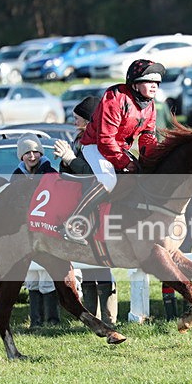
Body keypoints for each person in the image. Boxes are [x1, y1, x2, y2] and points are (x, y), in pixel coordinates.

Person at [57, 59, 164, 244]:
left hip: (118, 148)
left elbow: (147, 138)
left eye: (157, 82)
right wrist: (126, 163)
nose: (154, 86)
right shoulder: (115, 96)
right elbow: (105, 140)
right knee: (108, 178)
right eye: (149, 81)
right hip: (95, 145)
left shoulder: (150, 106)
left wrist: (155, 158)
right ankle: (73, 224)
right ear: (135, 83)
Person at [55, 97, 118, 325]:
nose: (74, 123)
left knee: (101, 266)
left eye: (77, 119)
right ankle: (93, 318)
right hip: (82, 204)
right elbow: (71, 173)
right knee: (88, 265)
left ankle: (109, 320)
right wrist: (65, 160)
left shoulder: (97, 141)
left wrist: (70, 159)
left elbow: (93, 174)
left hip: (98, 207)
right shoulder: (79, 139)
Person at [11, 134, 61, 327]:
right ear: (21, 156)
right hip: (25, 231)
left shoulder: (49, 172)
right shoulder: (17, 175)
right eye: (27, 153)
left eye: (35, 152)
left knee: (47, 275)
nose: (32, 156)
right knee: (31, 277)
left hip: (46, 229)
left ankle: (53, 320)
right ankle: (36, 321)